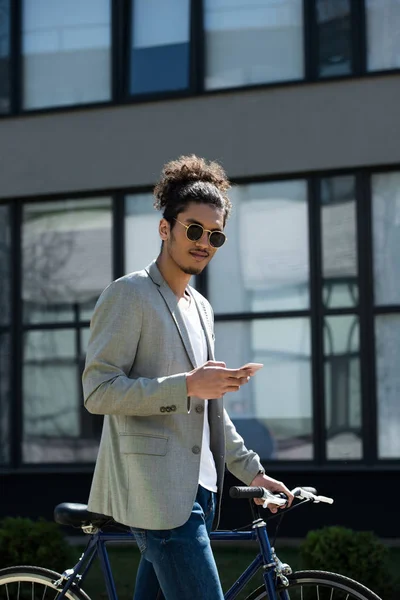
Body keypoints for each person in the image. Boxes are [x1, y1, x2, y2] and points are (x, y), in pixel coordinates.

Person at [82, 155, 294, 600]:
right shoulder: (129, 295)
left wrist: (252, 472)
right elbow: (98, 391)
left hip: (202, 491)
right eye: (193, 229)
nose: (204, 243)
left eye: (215, 235)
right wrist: (185, 387)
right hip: (155, 496)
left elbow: (210, 408)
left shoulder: (201, 309)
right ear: (166, 228)